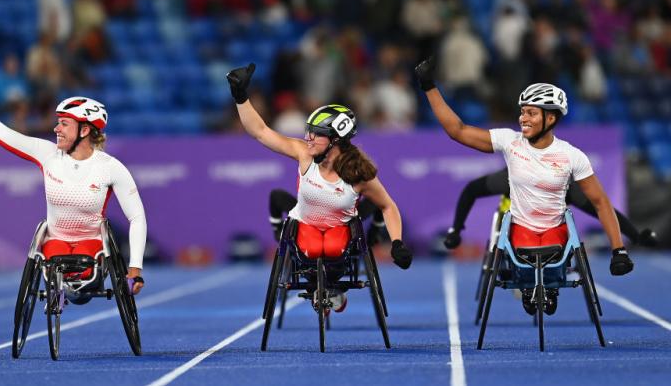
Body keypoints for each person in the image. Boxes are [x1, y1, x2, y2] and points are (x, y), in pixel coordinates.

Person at [414, 57, 634, 316]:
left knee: (553, 258)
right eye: (522, 112)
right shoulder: (510, 142)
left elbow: (600, 202)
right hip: (520, 231)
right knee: (525, 257)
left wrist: (618, 249)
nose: (522, 119)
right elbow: (458, 131)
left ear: (550, 118)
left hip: (556, 232)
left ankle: (549, 285)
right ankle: (532, 284)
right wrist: (429, 86)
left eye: (531, 113)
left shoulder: (572, 155)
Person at [227, 63, 412, 313]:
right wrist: (241, 96)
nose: (308, 138)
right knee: (314, 248)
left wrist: (397, 243)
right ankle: (318, 287)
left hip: (340, 235)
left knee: (334, 247)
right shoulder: (303, 154)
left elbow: (387, 206)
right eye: (308, 132)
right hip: (305, 228)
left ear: (335, 140)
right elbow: (260, 132)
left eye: (316, 134)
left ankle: (332, 287)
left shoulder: (359, 174)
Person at [0, 65, 146, 295]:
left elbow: (137, 217)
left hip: (91, 246)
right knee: (54, 266)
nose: (55, 128)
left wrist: (134, 268)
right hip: (56, 240)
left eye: (64, 123)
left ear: (84, 130)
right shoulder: (47, 153)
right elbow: (1, 132)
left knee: (82, 269)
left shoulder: (111, 167)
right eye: (57, 122)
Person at [441, 167, 658, 249]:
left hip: (552, 234)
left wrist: (636, 236)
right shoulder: (510, 178)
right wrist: (456, 229)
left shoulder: (566, 187)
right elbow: (471, 190)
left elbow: (603, 209)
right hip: (513, 231)